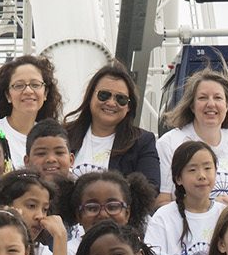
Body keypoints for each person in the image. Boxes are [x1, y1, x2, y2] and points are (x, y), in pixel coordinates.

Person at [155, 68, 228, 207]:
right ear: (192, 105)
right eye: (203, 98)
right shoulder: (169, 144)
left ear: (227, 105)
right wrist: (208, 207)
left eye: (218, 98)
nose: (211, 104)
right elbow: (161, 202)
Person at [146, 142, 223, 255]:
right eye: (192, 170)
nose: (202, 175)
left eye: (207, 168)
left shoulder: (224, 214)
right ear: (178, 178)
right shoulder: (164, 216)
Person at [63, 61, 160, 190]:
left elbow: (150, 189)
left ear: (129, 107)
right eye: (104, 95)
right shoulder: (64, 134)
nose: (111, 103)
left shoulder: (142, 142)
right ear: (90, 96)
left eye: (121, 99)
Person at [0, 55, 63, 166]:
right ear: (8, 95)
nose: (28, 91)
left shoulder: (53, 137)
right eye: (19, 85)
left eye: (35, 85)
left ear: (45, 93)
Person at [23, 119, 75, 185]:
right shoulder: (18, 194)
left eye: (59, 152)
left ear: (71, 160)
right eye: (41, 153)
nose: (51, 159)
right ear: (27, 161)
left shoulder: (81, 194)